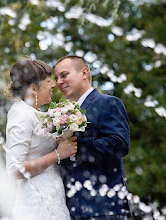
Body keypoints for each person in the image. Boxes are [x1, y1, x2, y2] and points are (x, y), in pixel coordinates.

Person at [54, 55, 132, 220]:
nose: (59, 82)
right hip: (73, 209)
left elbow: (119, 145)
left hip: (104, 208)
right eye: (56, 78)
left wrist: (76, 145)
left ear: (84, 73)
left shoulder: (108, 103)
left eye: (64, 75)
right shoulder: (63, 114)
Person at [4, 58, 78, 220]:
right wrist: (57, 155)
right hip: (36, 202)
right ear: (34, 88)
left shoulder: (35, 114)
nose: (54, 85)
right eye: (49, 81)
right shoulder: (21, 115)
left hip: (53, 196)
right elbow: (15, 170)